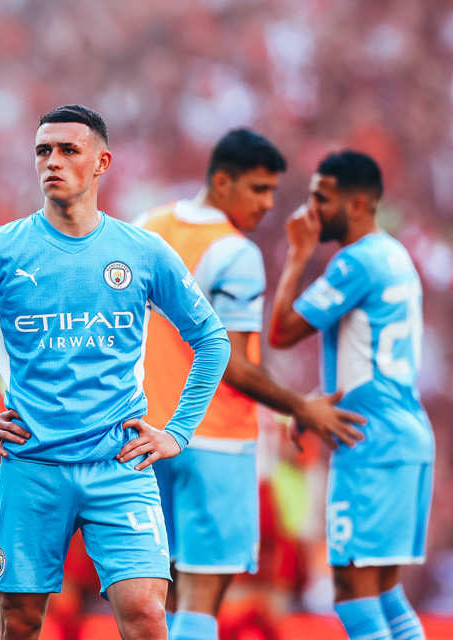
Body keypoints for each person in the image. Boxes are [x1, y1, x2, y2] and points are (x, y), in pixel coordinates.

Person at [0, 104, 231, 640]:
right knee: (20, 620)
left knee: (148, 614)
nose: (52, 162)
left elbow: (212, 340)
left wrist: (177, 432)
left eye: (67, 150)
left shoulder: (144, 252)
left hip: (120, 464)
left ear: (103, 161)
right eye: (43, 151)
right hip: (33, 466)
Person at [137, 129, 366, 639]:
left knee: (156, 597)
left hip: (146, 438)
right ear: (222, 181)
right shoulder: (235, 253)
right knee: (200, 598)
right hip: (214, 436)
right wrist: (301, 408)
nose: (267, 204)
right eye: (259, 189)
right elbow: (234, 365)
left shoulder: (145, 230)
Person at [269, 150, 432, 640]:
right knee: (383, 592)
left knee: (350, 589)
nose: (311, 211)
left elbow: (281, 331)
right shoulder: (394, 255)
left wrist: (298, 255)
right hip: (402, 435)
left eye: (322, 198)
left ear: (357, 204)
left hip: (370, 443)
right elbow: (372, 357)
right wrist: (316, 400)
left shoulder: (356, 261)